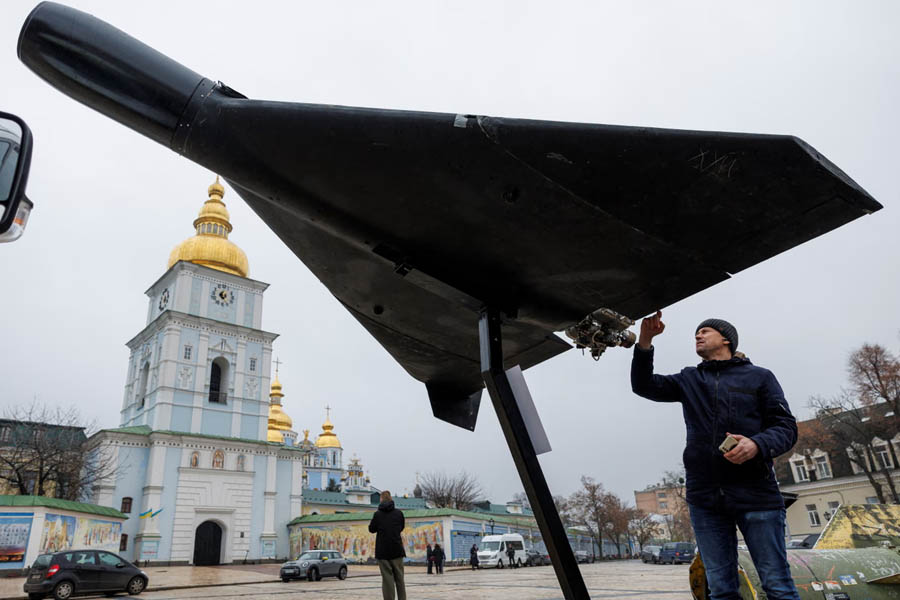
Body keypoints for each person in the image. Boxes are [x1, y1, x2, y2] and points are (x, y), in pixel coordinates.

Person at [631, 311, 800, 600]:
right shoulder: (689, 379)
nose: (698, 335)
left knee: (777, 585)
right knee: (720, 590)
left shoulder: (759, 377)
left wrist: (757, 444)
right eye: (696, 332)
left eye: (705, 331)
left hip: (756, 494)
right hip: (705, 498)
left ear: (726, 339)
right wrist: (645, 340)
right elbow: (643, 385)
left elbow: (786, 427)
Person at [368, 490, 406, 600]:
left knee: (387, 579)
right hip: (397, 550)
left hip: (383, 552)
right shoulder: (399, 513)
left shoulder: (377, 514)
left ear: (381, 499)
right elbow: (401, 527)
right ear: (391, 499)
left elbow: (371, 529)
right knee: (400, 579)